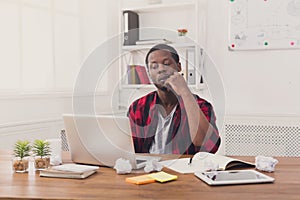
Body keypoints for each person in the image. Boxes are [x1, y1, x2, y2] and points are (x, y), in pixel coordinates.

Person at [127, 44, 220, 155]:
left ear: (179, 67)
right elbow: (127, 149)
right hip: (149, 169)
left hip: (184, 170)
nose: (161, 69)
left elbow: (208, 145)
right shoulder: (138, 107)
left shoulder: (201, 106)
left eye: (166, 64)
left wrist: (185, 91)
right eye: (154, 67)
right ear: (149, 74)